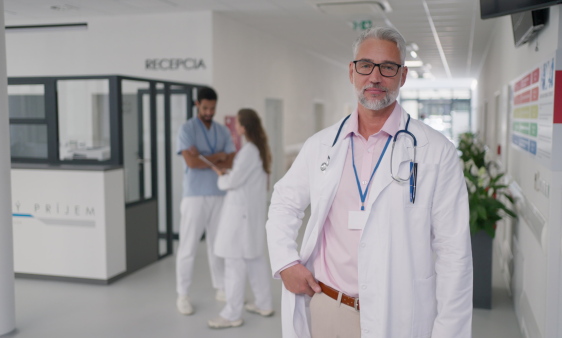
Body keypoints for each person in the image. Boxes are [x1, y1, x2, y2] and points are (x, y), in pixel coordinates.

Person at [266, 27, 473, 338]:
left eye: (388, 67)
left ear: (402, 76)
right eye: (365, 65)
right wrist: (285, 262)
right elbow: (284, 201)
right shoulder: (321, 145)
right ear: (352, 72)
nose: (375, 77)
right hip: (330, 308)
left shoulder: (436, 151)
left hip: (401, 315)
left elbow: (454, 252)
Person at [205, 109, 275, 328]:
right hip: (250, 214)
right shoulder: (259, 150)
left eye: (237, 123)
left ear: (243, 127)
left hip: (240, 215)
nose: (235, 126)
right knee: (254, 258)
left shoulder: (248, 151)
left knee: (233, 262)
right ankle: (264, 303)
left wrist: (221, 177)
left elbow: (233, 182)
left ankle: (232, 313)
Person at [175, 86, 236, 315]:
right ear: (197, 104)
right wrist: (218, 157)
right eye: (206, 107)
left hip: (219, 194)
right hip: (194, 196)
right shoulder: (187, 129)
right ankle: (182, 294)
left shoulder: (221, 130)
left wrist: (204, 156)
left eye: (213, 108)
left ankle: (221, 287)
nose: (210, 111)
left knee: (217, 244)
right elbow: (191, 163)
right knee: (188, 246)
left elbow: (231, 160)